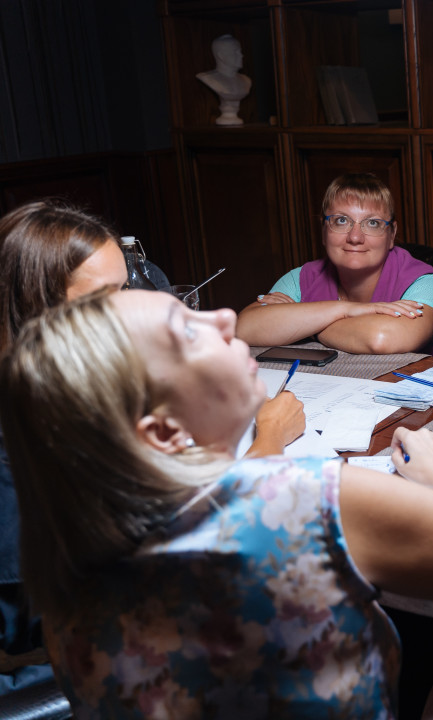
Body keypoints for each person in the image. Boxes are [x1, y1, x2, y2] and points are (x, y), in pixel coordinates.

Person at [0, 289, 433, 717]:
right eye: (189, 331)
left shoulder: (63, 584)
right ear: (165, 432)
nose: (224, 317)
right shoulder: (300, 501)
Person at [0, 201, 304, 696]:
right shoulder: (31, 436)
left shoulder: (77, 389)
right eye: (107, 298)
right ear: (45, 312)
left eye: (126, 288)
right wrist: (268, 436)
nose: (130, 305)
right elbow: (201, 558)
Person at [237, 173, 433, 357]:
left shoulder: (427, 283)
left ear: (391, 235)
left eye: (373, 223)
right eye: (341, 221)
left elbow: (382, 338)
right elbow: (244, 328)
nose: (355, 237)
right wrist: (347, 309)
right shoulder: (300, 278)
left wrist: (305, 327)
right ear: (324, 231)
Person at [196, 34, 251, 127]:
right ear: (221, 56)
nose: (241, 55)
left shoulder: (246, 80)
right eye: (236, 52)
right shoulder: (208, 78)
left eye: (240, 51)